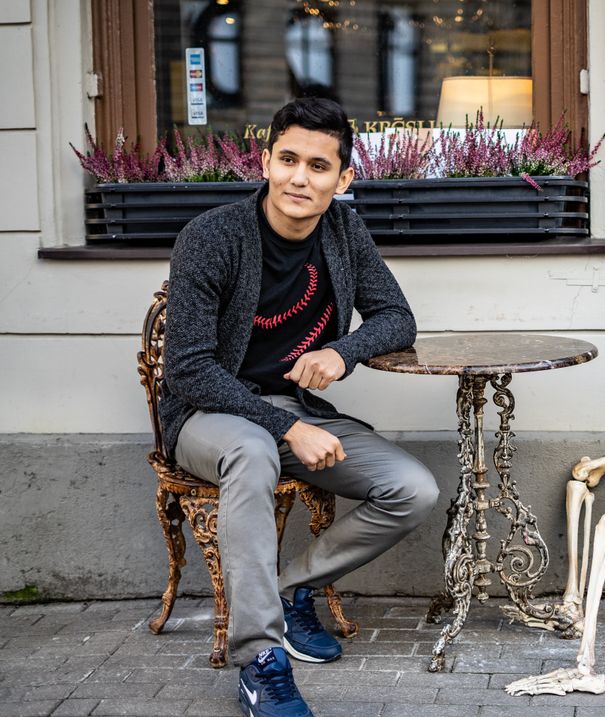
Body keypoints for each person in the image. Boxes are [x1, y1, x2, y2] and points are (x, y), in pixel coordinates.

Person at [160, 97, 439, 717]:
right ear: (265, 161)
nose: (299, 178)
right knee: (254, 451)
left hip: (295, 410)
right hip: (208, 414)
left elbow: (397, 318)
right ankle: (261, 659)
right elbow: (188, 367)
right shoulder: (211, 237)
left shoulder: (344, 230)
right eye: (287, 159)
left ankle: (288, 594)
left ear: (343, 180)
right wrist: (288, 425)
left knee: (412, 488)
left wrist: (344, 352)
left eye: (318, 166)